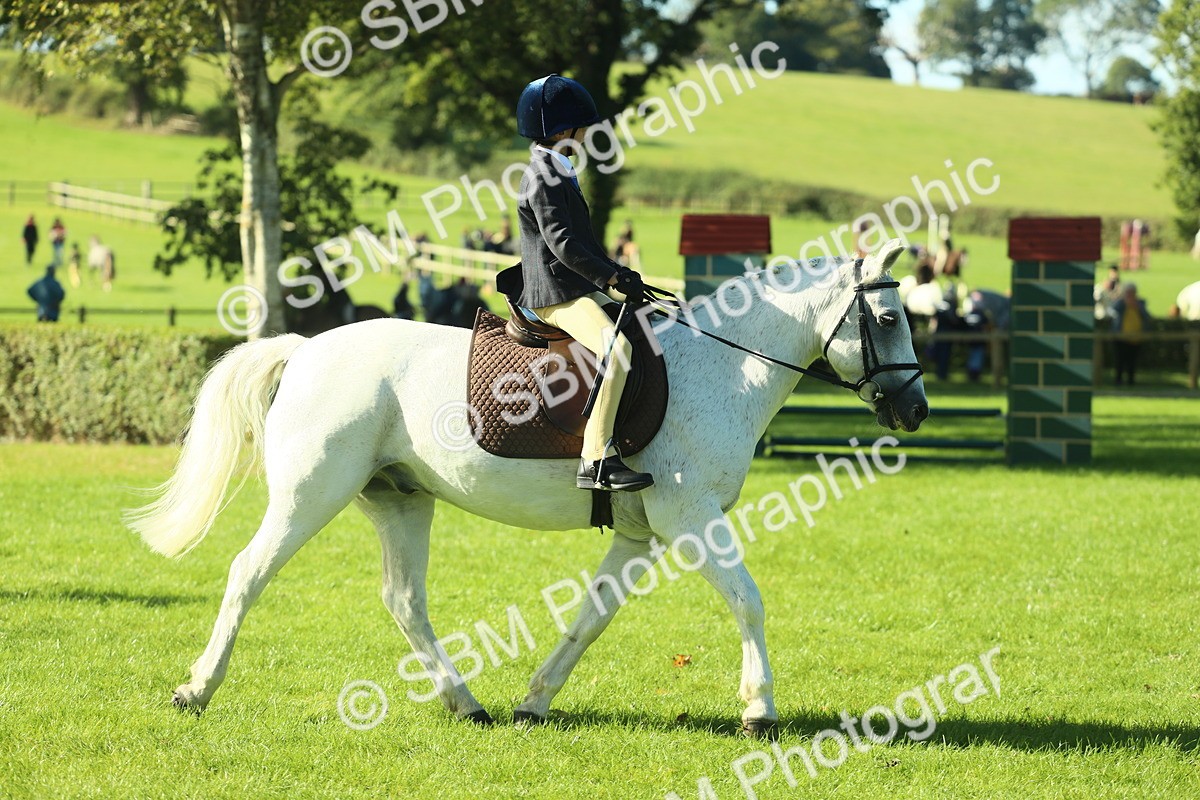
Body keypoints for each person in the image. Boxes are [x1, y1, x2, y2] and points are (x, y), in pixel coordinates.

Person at [515, 73, 653, 493]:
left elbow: (585, 242)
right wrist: (610, 276)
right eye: (583, 127)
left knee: (648, 322)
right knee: (618, 349)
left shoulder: (559, 169)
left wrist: (620, 274)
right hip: (553, 293)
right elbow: (562, 244)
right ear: (563, 131)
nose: (588, 134)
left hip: (571, 286)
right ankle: (597, 459)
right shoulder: (542, 175)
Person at [1110, 282, 1151, 386]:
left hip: (1135, 338)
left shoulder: (1140, 303)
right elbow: (1112, 310)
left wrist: (1137, 306)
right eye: (1128, 293)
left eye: (1132, 293)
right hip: (1121, 338)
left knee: (1132, 361)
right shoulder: (1120, 303)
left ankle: (1131, 381)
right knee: (1120, 360)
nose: (1130, 295)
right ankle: (1118, 381)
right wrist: (1124, 302)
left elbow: (1147, 316)